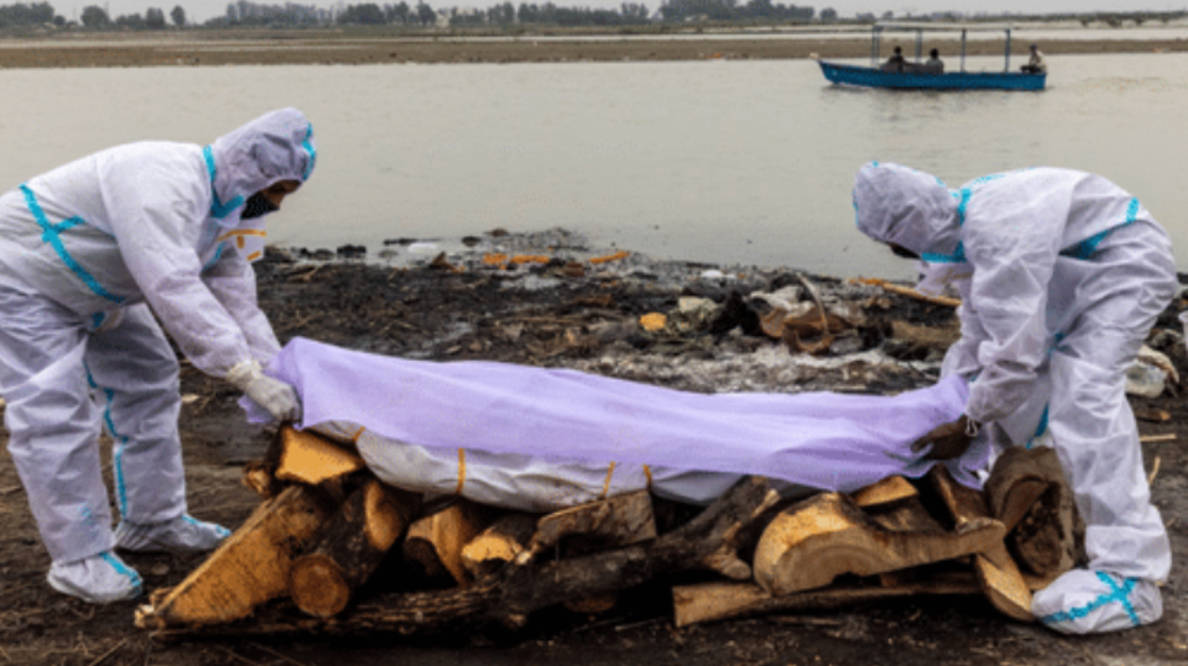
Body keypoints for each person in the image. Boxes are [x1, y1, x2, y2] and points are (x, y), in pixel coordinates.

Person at [0, 107, 315, 603]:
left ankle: (153, 520)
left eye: (285, 194)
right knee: (53, 412)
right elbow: (171, 285)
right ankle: (78, 557)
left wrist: (278, 372)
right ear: (248, 170)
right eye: (274, 190)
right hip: (25, 280)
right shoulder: (162, 181)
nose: (274, 205)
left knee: (150, 375)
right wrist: (243, 374)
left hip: (99, 288)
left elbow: (236, 296)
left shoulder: (227, 209)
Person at [851, 162, 1175, 634]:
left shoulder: (997, 228)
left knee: (1084, 391)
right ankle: (1019, 480)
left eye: (894, 240)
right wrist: (953, 403)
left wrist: (966, 426)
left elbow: (1014, 357)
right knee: (1009, 379)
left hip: (1124, 263)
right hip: (1077, 265)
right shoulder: (963, 226)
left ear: (911, 223)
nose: (896, 252)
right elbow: (981, 334)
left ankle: (1134, 574)